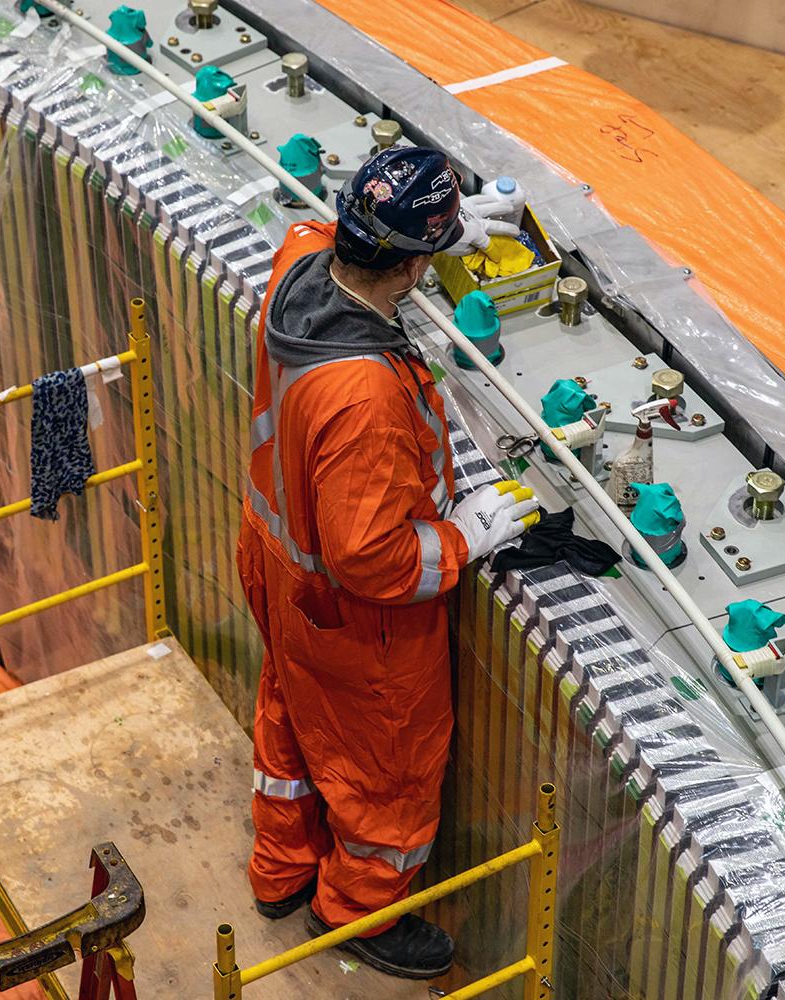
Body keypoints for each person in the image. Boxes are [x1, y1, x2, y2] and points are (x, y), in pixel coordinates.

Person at [236, 146, 539, 980]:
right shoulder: (365, 394)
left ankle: (281, 869)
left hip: (277, 563)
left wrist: (442, 231)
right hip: (354, 619)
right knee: (388, 775)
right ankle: (357, 913)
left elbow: (306, 228)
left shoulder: (300, 267)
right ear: (409, 265)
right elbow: (372, 557)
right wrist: (463, 539)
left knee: (293, 722)